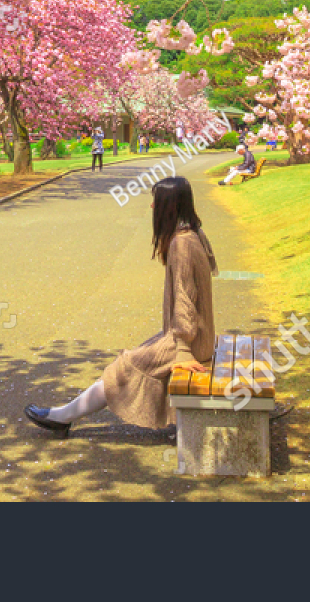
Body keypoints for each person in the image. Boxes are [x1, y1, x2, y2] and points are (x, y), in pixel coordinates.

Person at [25, 177, 216, 436]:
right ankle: (64, 415)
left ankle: (62, 417)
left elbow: (185, 298)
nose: (151, 207)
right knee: (136, 357)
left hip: (189, 342)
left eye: (156, 201)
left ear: (168, 206)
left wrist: (182, 350)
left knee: (127, 365)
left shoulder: (181, 244)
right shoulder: (193, 233)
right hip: (194, 336)